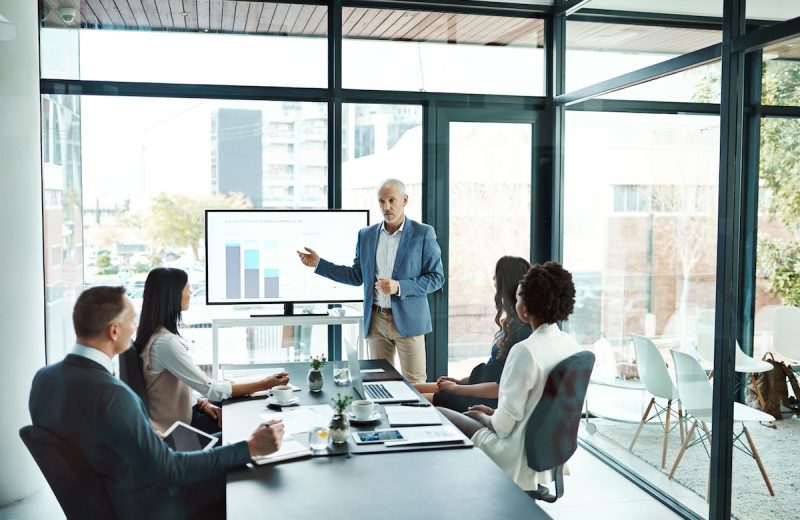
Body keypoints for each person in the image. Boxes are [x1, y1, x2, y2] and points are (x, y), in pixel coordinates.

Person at [28, 286, 284, 519]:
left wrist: (141, 436)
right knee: (247, 469)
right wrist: (250, 447)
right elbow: (170, 470)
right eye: (131, 320)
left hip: (115, 490)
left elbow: (90, 434)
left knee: (222, 439)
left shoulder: (44, 379)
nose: (135, 326)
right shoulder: (111, 394)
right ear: (114, 330)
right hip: (152, 504)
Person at [438, 261, 581, 491]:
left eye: (518, 298)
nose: (515, 304)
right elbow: (535, 407)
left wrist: (486, 418)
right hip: (545, 454)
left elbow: (502, 428)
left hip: (513, 453)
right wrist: (492, 412)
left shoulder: (525, 350)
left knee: (439, 413)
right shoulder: (569, 344)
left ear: (525, 308)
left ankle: (451, 488)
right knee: (469, 414)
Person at [297, 179, 444, 383]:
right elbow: (356, 276)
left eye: (392, 200)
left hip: (410, 322)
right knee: (380, 382)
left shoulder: (423, 233)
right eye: (382, 201)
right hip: (376, 321)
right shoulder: (366, 235)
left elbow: (437, 278)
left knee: (416, 383)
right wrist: (319, 264)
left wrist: (399, 286)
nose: (387, 207)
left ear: (405, 200)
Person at [135, 267, 289, 433]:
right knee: (247, 424)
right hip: (179, 430)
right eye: (187, 288)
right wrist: (265, 384)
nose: (191, 292)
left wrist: (202, 403)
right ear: (172, 294)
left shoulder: (156, 335)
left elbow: (179, 386)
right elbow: (213, 390)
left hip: (187, 414)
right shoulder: (165, 343)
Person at [414, 256, 532, 411]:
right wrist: (460, 381)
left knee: (412, 399)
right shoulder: (511, 323)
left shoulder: (522, 332)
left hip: (484, 400)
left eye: (496, 276)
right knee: (410, 388)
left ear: (505, 283)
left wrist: (456, 388)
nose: (493, 280)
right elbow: (492, 371)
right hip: (474, 390)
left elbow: (499, 387)